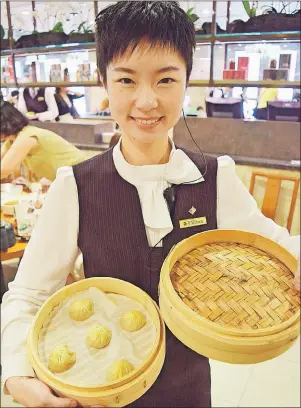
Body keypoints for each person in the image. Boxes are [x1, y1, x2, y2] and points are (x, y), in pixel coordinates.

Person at [1, 2, 300, 408]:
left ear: (186, 83)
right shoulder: (76, 186)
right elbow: (29, 293)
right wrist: (17, 373)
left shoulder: (217, 178)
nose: (146, 101)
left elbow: (280, 253)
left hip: (191, 390)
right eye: (126, 79)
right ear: (105, 84)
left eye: (165, 80)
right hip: (102, 391)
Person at [1, 101, 87, 181]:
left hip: (84, 175)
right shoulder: (11, 140)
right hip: (70, 180)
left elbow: (4, 169)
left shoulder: (27, 136)